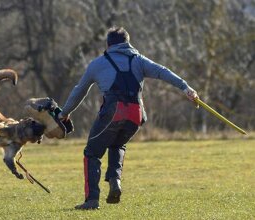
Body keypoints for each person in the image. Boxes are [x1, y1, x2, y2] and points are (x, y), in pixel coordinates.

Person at [58, 26, 198, 210]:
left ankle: (92, 200)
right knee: (117, 144)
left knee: (92, 153)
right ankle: (115, 181)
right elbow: (162, 71)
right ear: (127, 43)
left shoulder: (98, 63)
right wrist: (186, 88)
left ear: (108, 44)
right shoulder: (138, 60)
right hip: (136, 113)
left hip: (114, 111)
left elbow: (80, 91)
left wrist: (65, 112)